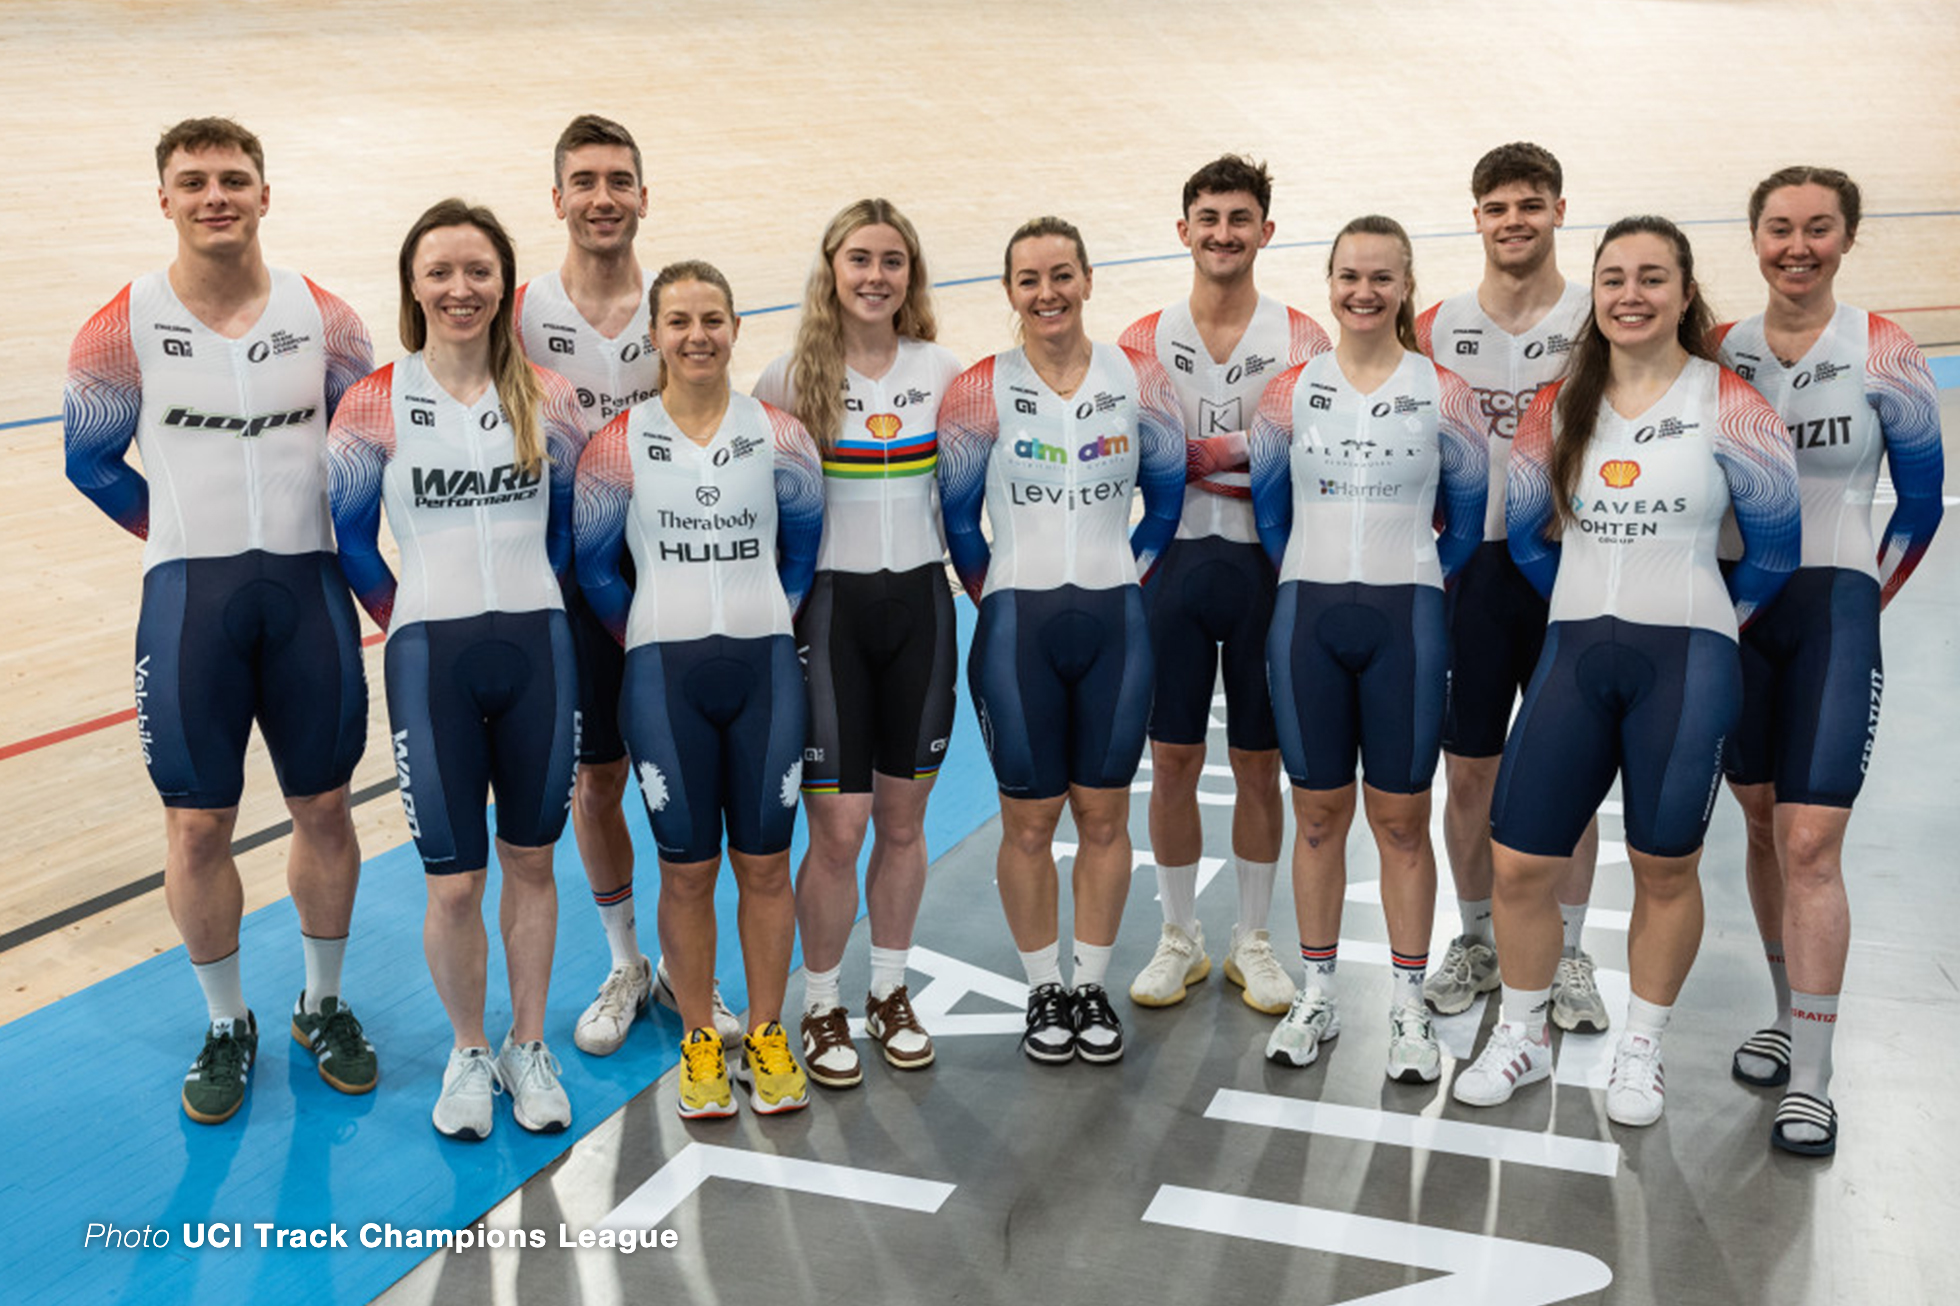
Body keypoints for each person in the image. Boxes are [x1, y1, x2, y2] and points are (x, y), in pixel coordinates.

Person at [1455, 216, 1801, 1127]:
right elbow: (1528, 536)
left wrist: (1709, 621)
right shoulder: (1559, 405)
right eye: (1614, 278)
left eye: (1653, 278)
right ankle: (1521, 1036)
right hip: (1573, 653)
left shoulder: (1731, 402)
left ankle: (1640, 1049)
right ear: (1596, 295)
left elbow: (1773, 551)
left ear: (1686, 294)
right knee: (1520, 861)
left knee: (1664, 866)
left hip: (1685, 659)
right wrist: (1579, 591)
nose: (1631, 294)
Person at [63, 117, 375, 1125]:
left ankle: (320, 1003)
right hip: (191, 599)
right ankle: (225, 1021)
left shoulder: (327, 317)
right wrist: (175, 535)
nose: (215, 197)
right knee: (198, 825)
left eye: (234, 179)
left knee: (325, 807)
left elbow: (361, 444)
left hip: (308, 595)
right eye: (192, 182)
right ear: (163, 199)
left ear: (265, 194)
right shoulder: (118, 326)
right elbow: (90, 460)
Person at [329, 199, 585, 1140]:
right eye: (440, 271)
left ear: (504, 283)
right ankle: (469, 1049)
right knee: (453, 882)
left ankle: (528, 1043)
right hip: (431, 656)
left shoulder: (549, 398)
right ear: (412, 286)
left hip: (536, 652)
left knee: (531, 860)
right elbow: (354, 541)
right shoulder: (371, 401)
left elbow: (563, 537)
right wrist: (411, 625)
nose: (460, 288)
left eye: (478, 271)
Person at [1715, 167, 1944, 1156]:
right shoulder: (1719, 353)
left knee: (1812, 844)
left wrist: (1859, 604)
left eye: (1817, 228)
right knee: (1763, 830)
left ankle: (1813, 1074)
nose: (1796, 245)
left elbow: (1922, 506)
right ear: (1755, 236)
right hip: (1734, 618)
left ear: (1847, 237)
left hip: (1833, 611)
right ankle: (1783, 1010)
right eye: (1779, 228)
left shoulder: (1883, 350)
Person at [513, 114, 741, 1058]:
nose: (602, 198)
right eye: (584, 182)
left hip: (685, 565)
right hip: (572, 579)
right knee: (596, 779)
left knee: (695, 781)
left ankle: (695, 966)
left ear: (645, 196)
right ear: (556, 197)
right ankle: (625, 960)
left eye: (619, 181)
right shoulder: (519, 314)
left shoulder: (681, 307)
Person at [575, 261, 825, 1118]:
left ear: (735, 325)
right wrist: (648, 634)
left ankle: (765, 1031)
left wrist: (762, 616)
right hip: (661, 677)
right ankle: (697, 1045)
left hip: (762, 671)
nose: (697, 336)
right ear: (655, 335)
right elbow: (596, 570)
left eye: (712, 318)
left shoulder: (782, 435)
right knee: (686, 873)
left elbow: (802, 549)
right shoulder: (618, 443)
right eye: (678, 321)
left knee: (765, 865)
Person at [938, 216, 1184, 1066]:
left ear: (1088, 279)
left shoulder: (1139, 377)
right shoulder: (979, 389)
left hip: (1116, 619)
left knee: (1106, 814)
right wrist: (997, 598)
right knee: (1029, 820)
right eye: (1029, 280)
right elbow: (960, 523)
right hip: (1017, 625)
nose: (1047, 293)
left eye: (1061, 276)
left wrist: (1127, 572)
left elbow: (1167, 493)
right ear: (1009, 293)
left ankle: (1092, 985)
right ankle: (1043, 983)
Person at [1248, 215, 1487, 1083]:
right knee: (1316, 817)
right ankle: (1318, 993)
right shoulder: (1288, 392)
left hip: (1408, 620)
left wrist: (1415, 574)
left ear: (1405, 283)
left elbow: (1465, 518)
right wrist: (1310, 577)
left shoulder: (1444, 392)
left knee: (1400, 820)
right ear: (1330, 281)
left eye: (1381, 277)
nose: (1363, 291)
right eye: (1350, 275)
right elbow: (1269, 510)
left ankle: (1408, 1006)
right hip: (1307, 617)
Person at [752, 200, 962, 1089]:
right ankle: (823, 1000)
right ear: (830, 268)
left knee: (903, 823)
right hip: (830, 619)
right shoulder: (787, 378)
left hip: (922, 608)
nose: (876, 277)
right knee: (839, 829)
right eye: (859, 260)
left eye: (893, 261)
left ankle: (888, 990)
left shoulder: (947, 373)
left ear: (911, 275)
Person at [1118, 155, 1329, 1017]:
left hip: (1265, 573)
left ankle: (1253, 940)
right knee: (1169, 761)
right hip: (1172, 571)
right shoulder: (1137, 339)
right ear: (1183, 231)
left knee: (1258, 761)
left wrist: (1235, 453)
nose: (1223, 234)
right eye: (1208, 218)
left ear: (1266, 232)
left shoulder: (1306, 339)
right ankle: (1179, 938)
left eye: (1240, 219)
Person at [1413, 143, 1608, 1034]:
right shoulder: (1435, 323)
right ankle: (1480, 937)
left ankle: (1570, 955)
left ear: (1560, 210)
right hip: (1475, 572)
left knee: (1571, 777)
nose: (1514, 220)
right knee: (1470, 775)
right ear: (1477, 217)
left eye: (1531, 204)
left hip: (1578, 569)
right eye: (1497, 207)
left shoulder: (1599, 314)